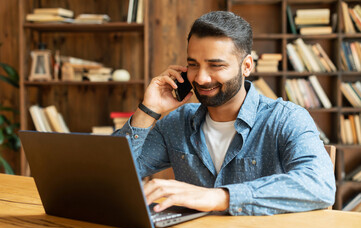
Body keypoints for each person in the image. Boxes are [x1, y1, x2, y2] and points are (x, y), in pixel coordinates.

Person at [113, 11, 335, 216]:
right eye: (193, 64)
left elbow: (320, 185)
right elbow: (113, 173)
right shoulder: (177, 122)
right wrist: (148, 109)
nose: (201, 78)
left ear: (246, 66)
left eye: (216, 66)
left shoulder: (286, 118)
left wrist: (219, 197)